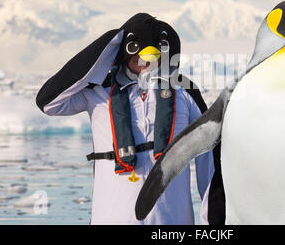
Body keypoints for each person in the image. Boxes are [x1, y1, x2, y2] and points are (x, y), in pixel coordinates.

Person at [36, 13, 214, 224]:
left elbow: (209, 155)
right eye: (136, 57)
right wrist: (109, 43)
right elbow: (49, 102)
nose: (145, 65)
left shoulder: (184, 90)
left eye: (152, 59)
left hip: (171, 220)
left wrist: (213, 221)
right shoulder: (98, 92)